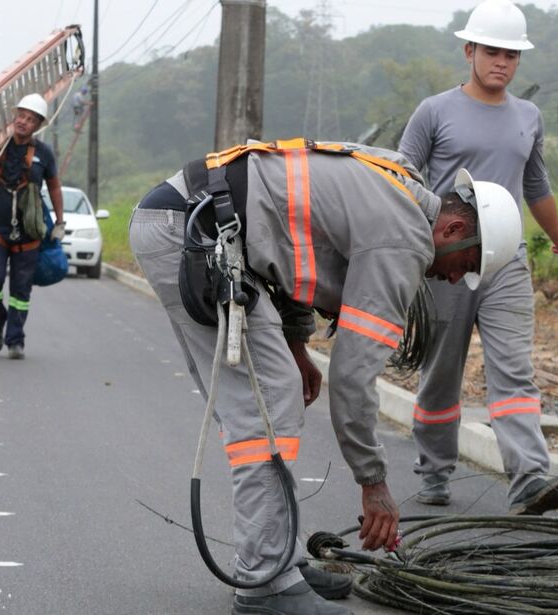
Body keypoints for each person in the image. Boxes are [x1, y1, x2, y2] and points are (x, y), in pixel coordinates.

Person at [128, 138, 521, 615]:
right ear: (454, 228)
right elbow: (354, 376)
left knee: (273, 398)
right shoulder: (402, 240)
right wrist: (373, 483)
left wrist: (296, 344)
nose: (457, 280)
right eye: (467, 265)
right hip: (195, 235)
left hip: (204, 224)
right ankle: (264, 586)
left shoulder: (399, 183)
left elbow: (289, 236)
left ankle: (278, 561)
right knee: (265, 409)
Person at [398, 0, 558, 515]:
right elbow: (399, 179)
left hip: (507, 259)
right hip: (447, 262)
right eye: (492, 52)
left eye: (511, 55)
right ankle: (434, 469)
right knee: (441, 369)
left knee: (514, 369)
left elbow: (535, 185)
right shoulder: (434, 111)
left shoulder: (528, 116)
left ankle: (528, 476)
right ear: (470, 51)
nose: (501, 62)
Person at [0, 93, 65, 360]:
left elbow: (53, 187)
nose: (24, 122)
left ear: (38, 125)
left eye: (30, 119)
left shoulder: (44, 154)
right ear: (14, 118)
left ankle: (15, 339)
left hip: (29, 232)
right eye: (21, 116)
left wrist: (60, 221)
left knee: (21, 289)